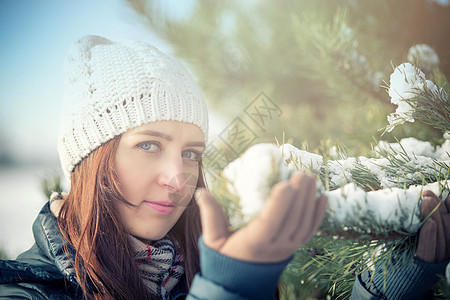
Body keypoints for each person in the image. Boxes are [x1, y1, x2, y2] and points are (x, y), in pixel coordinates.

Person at [0, 35, 448, 300]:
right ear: (88, 162)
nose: (178, 177)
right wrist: (230, 288)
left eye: (191, 152)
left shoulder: (195, 260)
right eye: (149, 145)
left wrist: (388, 288)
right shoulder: (25, 290)